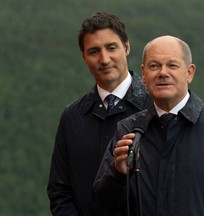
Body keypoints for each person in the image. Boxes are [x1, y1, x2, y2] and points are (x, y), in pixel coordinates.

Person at [93, 35, 204, 215]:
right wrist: (118, 175)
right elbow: (102, 207)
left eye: (172, 65)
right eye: (154, 66)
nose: (163, 73)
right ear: (143, 74)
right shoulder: (127, 130)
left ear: (189, 72)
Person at [47, 12, 151, 216]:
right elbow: (59, 191)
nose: (104, 59)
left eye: (111, 48)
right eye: (94, 51)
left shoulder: (155, 107)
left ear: (127, 47)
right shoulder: (72, 117)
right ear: (84, 57)